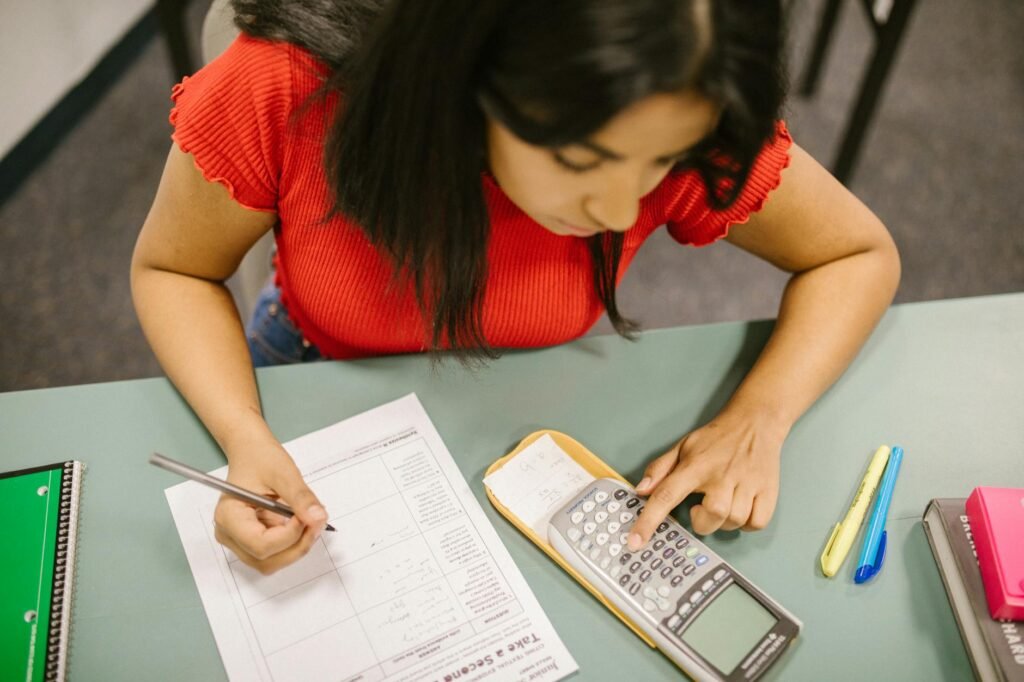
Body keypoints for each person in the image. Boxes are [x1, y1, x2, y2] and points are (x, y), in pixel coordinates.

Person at [131, 0, 900, 575]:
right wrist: (243, 435)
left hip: (521, 414)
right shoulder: (284, 84)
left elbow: (856, 254)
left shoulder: (682, 88)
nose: (622, 211)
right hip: (308, 366)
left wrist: (760, 419)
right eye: (583, 160)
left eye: (661, 161)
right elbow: (174, 269)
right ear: (473, 79)